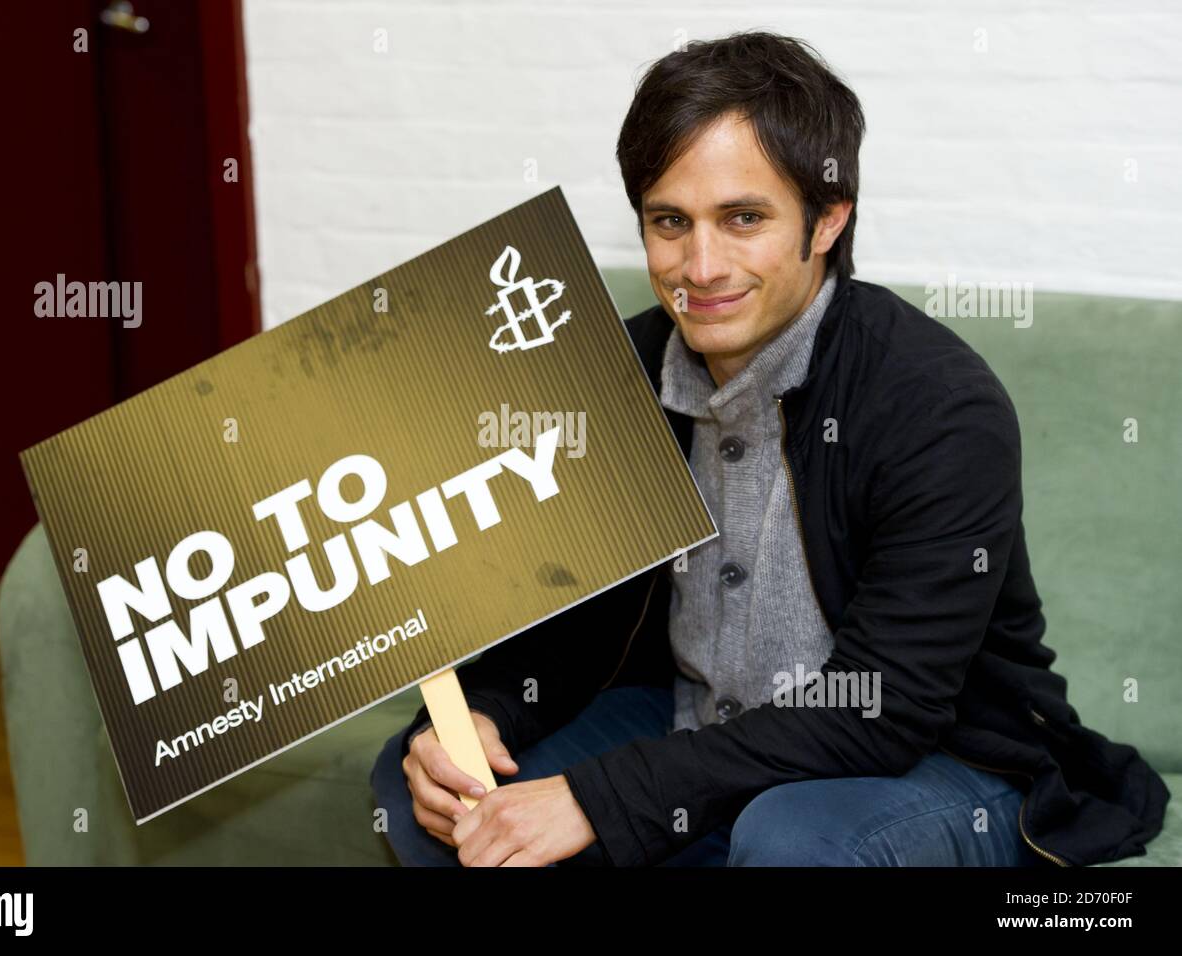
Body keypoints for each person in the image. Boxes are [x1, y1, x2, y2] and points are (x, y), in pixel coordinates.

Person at [370, 30, 1169, 867]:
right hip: (689, 714)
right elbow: (569, 633)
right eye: (669, 222)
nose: (700, 266)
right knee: (433, 794)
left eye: (744, 218)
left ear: (827, 219)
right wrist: (476, 721)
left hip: (929, 754)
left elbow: (887, 708)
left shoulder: (938, 404)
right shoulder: (615, 375)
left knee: (793, 842)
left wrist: (605, 798)